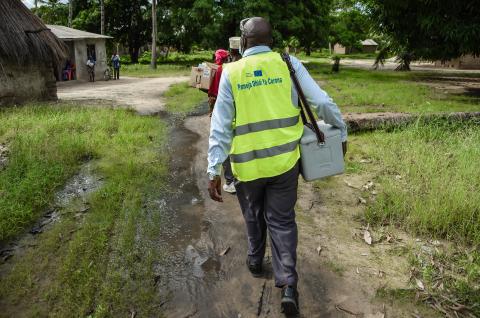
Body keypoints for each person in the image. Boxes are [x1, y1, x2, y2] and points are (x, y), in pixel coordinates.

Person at [207, 17, 347, 315]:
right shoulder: (288, 63)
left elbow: (219, 127)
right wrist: (341, 131)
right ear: (271, 40)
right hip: (285, 163)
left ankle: (256, 261)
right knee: (282, 221)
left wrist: (213, 169)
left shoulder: (231, 72)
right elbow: (321, 102)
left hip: (247, 167)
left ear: (243, 42)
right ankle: (289, 286)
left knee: (254, 215)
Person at [208, 49, 236, 194]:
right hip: (237, 113)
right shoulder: (236, 67)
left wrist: (211, 111)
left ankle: (230, 181)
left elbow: (213, 94)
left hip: (222, 113)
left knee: (223, 143)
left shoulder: (219, 70)